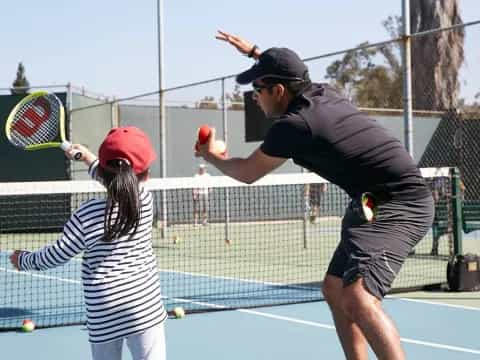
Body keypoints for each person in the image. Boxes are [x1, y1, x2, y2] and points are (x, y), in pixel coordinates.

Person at [195, 30, 435, 360]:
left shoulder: (295, 125)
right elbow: (293, 72)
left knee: (358, 299)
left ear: (278, 91)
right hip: (370, 201)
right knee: (334, 289)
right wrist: (255, 53)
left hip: (400, 203)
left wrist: (211, 156)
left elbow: (248, 172)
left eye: (258, 89)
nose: (255, 97)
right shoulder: (322, 92)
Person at [10, 127, 167, 360]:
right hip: (144, 306)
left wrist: (24, 260)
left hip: (104, 309)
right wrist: (88, 158)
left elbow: (57, 254)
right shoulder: (145, 199)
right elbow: (119, 180)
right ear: (146, 174)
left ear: (104, 173)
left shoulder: (88, 215)